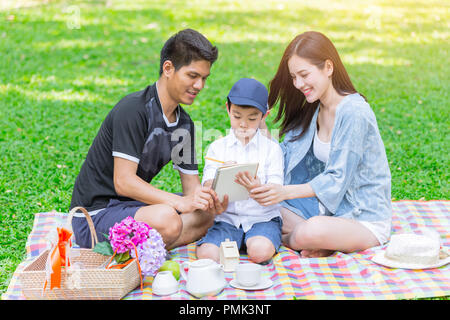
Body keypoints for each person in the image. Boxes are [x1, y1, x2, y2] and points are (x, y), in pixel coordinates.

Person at [70, 29, 228, 250]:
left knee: (205, 216)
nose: (199, 86)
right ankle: (152, 243)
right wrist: (179, 203)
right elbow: (123, 182)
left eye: (204, 78)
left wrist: (207, 200)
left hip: (134, 208)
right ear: (168, 68)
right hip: (94, 216)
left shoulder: (185, 124)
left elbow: (190, 188)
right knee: (168, 219)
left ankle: (145, 246)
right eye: (192, 76)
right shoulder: (133, 110)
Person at [251, 31, 392, 258]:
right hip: (328, 213)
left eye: (304, 75)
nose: (298, 84)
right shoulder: (313, 107)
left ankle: (286, 239)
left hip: (363, 217)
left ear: (328, 67)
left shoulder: (354, 112)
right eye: (294, 77)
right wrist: (260, 125)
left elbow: (337, 178)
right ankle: (319, 243)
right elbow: (286, 154)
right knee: (258, 206)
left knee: (310, 231)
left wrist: (283, 192)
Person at [196, 78, 284, 264]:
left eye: (252, 119)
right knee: (207, 255)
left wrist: (259, 188)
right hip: (228, 220)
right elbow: (207, 185)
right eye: (237, 116)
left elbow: (277, 190)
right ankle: (235, 242)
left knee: (259, 252)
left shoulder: (271, 149)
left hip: (262, 219)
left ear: (264, 116)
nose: (243, 124)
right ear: (227, 109)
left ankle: (255, 241)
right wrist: (221, 175)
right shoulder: (217, 148)